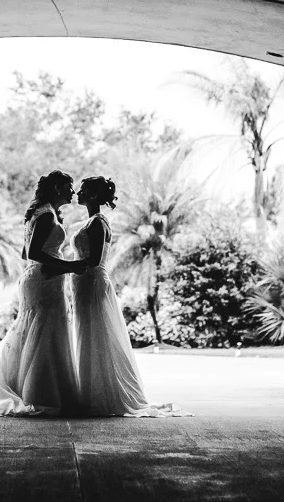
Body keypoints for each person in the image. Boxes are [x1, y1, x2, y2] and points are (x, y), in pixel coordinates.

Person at [0, 170, 87, 416]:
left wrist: (55, 263)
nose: (72, 192)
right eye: (68, 187)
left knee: (41, 331)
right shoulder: (46, 215)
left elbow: (25, 253)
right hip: (44, 280)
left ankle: (33, 389)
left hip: (40, 277)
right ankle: (41, 394)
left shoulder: (42, 213)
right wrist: (69, 266)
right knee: (45, 332)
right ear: (56, 188)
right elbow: (32, 253)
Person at [70, 176, 189, 417]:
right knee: (87, 334)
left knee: (95, 334)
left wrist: (63, 267)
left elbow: (93, 260)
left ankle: (100, 395)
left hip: (91, 283)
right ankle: (91, 391)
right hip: (84, 284)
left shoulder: (97, 223)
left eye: (83, 190)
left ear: (94, 195)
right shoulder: (93, 221)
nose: (78, 194)